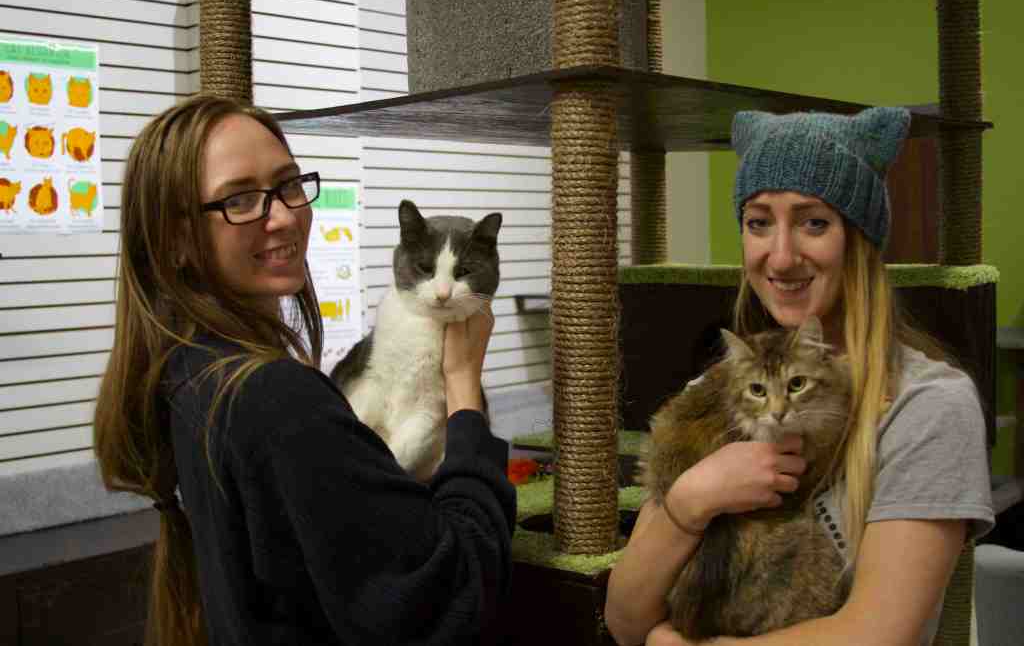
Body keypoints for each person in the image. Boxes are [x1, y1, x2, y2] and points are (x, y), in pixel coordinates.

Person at [93, 95, 515, 645]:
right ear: (175, 240)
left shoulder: (190, 371)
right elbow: (454, 590)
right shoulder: (274, 400)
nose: (284, 215)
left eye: (289, 185)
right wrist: (464, 391)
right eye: (240, 200)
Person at [604, 107, 994, 646]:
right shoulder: (718, 391)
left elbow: (878, 634)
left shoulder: (928, 405)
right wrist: (692, 500)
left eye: (814, 222)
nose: (781, 257)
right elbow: (624, 622)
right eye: (758, 222)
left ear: (859, 239)